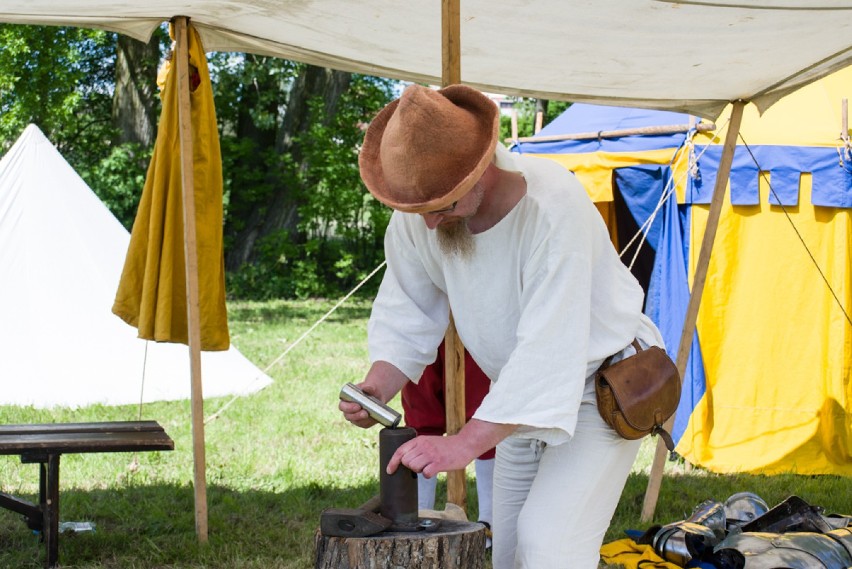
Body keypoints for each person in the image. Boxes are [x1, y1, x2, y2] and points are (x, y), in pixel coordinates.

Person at [338, 83, 664, 569]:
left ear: (480, 169)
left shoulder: (553, 207)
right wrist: (378, 385)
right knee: (510, 555)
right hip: (517, 399)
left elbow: (549, 349)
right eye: (421, 212)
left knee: (549, 549)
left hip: (603, 389)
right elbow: (408, 308)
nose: (430, 225)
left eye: (441, 208)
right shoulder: (421, 212)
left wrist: (463, 444)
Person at [402, 341, 494, 540]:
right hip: (427, 324)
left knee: (483, 410)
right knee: (421, 412)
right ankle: (417, 514)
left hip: (471, 326)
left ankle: (490, 520)